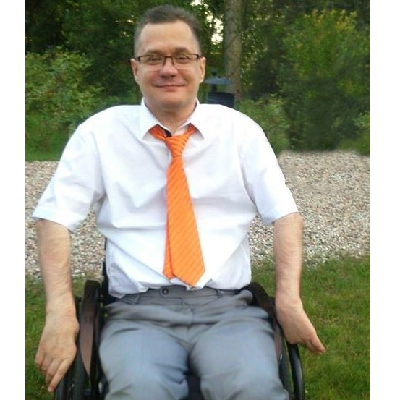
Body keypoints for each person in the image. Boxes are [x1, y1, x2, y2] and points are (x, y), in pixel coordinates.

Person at [33, 4, 325, 400]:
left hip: (228, 310)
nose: (168, 69)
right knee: (139, 391)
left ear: (201, 68)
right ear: (135, 69)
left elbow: (285, 216)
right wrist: (60, 313)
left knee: (254, 388)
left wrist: (288, 301)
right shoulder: (99, 134)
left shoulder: (240, 133)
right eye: (154, 58)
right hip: (137, 312)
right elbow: (53, 218)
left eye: (182, 57)